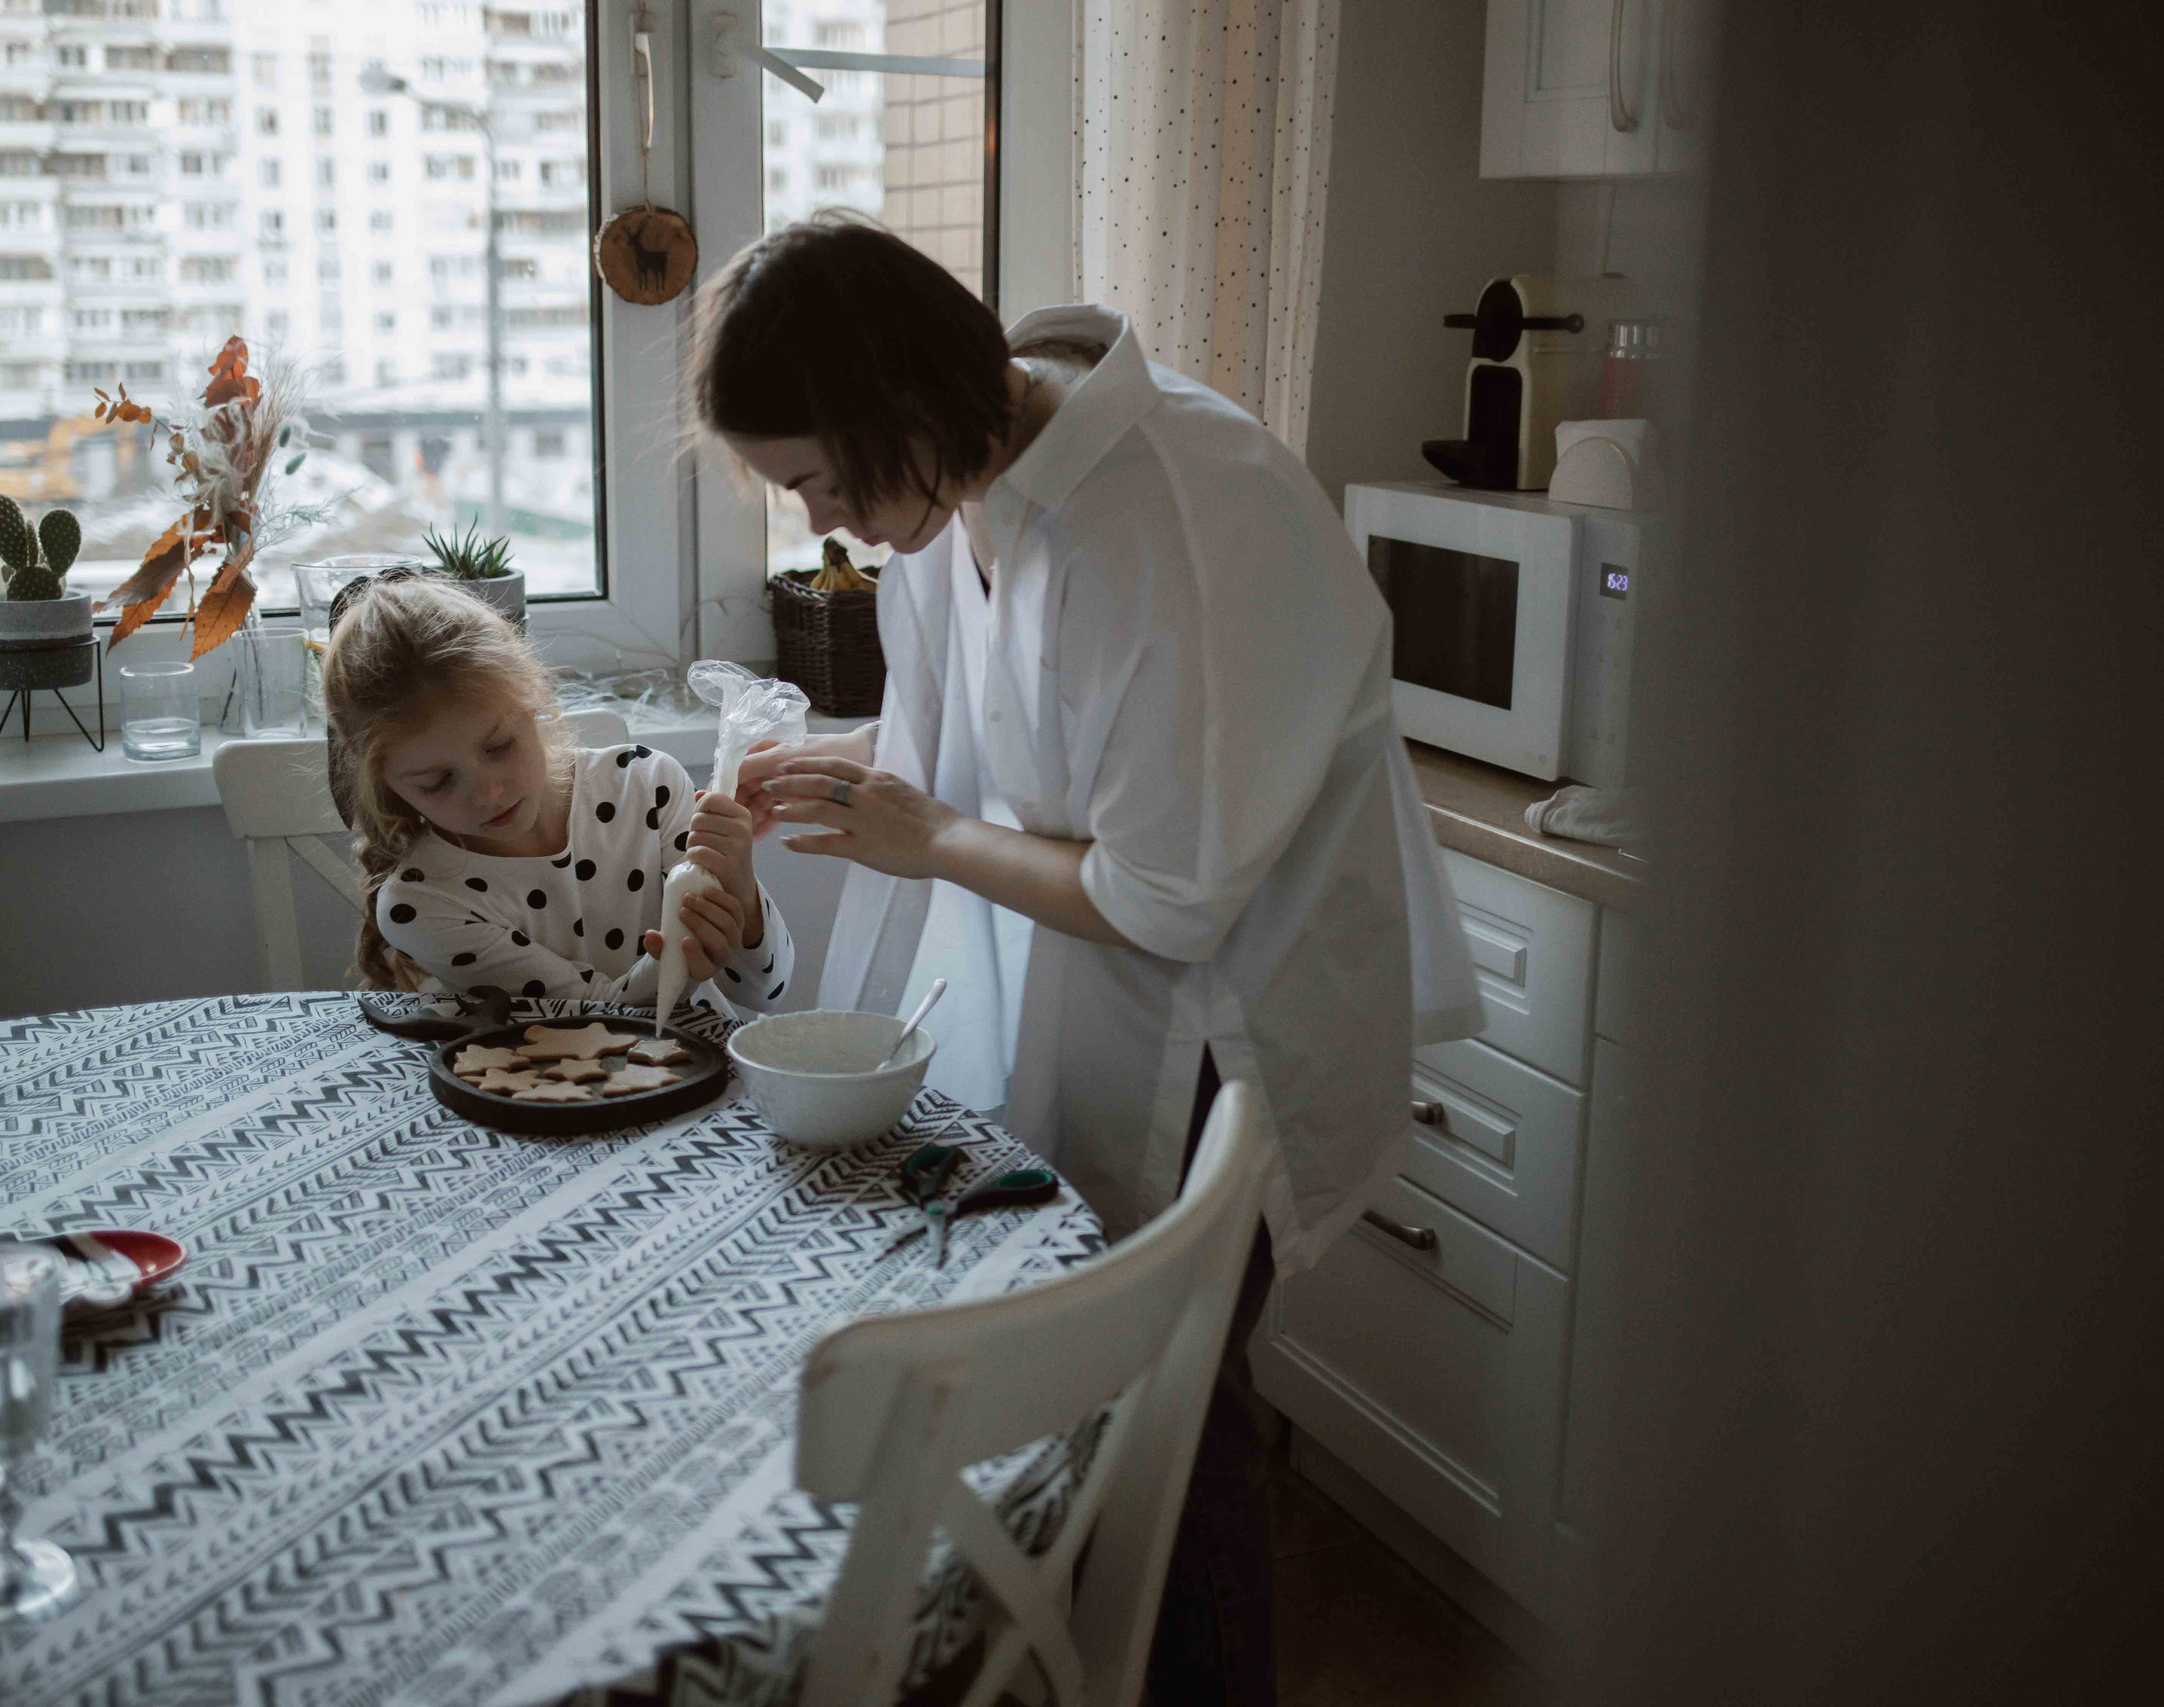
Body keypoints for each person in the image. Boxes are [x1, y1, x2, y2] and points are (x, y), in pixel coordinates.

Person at [697, 219, 1482, 1707]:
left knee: (1170, 1426)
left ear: (899, 406)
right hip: (1089, 995)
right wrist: (853, 773)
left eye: (817, 478)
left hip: (1228, 1029)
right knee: (1098, 1409)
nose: (822, 521)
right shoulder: (959, 487)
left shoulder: (1183, 510)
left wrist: (925, 834)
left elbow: (1163, 900)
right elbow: (996, 750)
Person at [321, 574, 793, 1006]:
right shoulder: (426, 903)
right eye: (437, 781)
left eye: (500, 746)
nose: (489, 793)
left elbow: (766, 992)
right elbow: (596, 1019)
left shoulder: (646, 787)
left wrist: (739, 885)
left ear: (533, 698)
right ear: (385, 783)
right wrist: (686, 957)